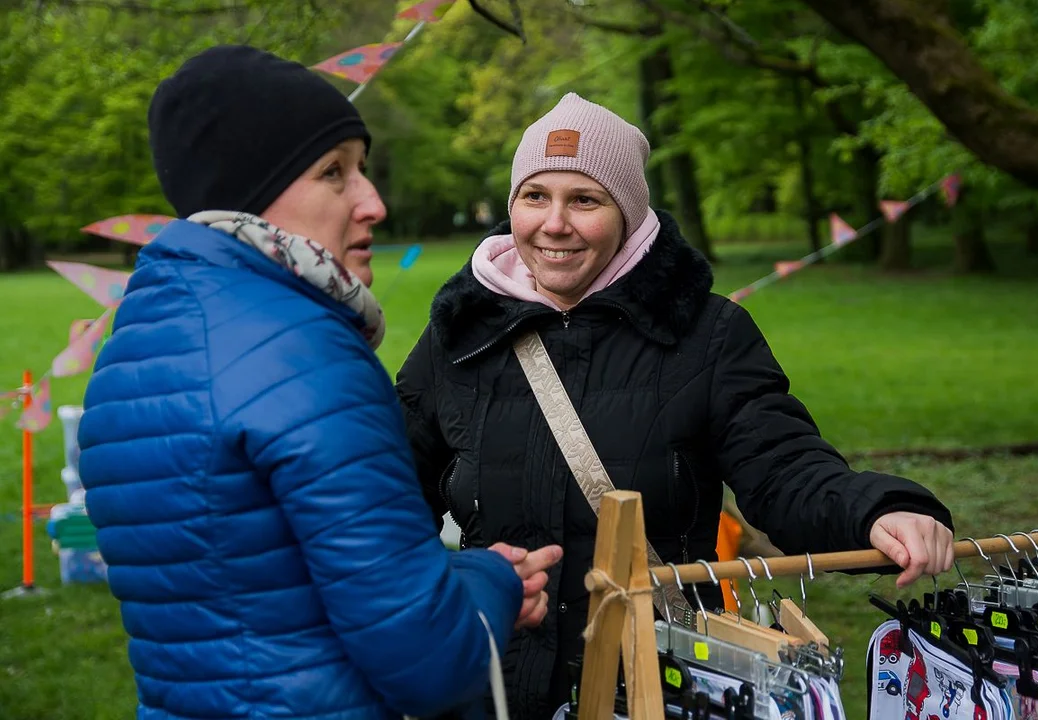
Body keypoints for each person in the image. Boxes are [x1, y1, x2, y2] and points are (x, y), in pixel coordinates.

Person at [395, 92, 955, 719]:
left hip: (656, 685)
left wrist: (877, 511)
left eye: (585, 200)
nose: (554, 224)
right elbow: (383, 495)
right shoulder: (461, 334)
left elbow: (783, 466)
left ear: (629, 215)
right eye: (535, 196)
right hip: (487, 688)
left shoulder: (707, 335)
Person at [78, 45, 561, 720]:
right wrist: (491, 579)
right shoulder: (306, 355)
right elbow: (432, 664)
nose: (374, 202)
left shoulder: (134, 349)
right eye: (334, 173)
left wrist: (445, 580)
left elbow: (256, 594)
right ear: (249, 191)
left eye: (362, 168)